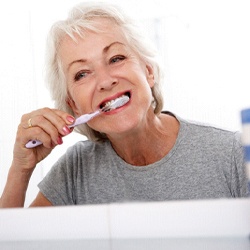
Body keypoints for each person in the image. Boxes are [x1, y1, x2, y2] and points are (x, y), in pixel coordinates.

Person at [0, 2, 248, 208]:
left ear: (148, 71)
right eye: (82, 74)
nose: (106, 81)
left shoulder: (233, 155)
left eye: (116, 58)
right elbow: (12, 242)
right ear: (73, 106)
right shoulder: (75, 171)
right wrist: (21, 169)